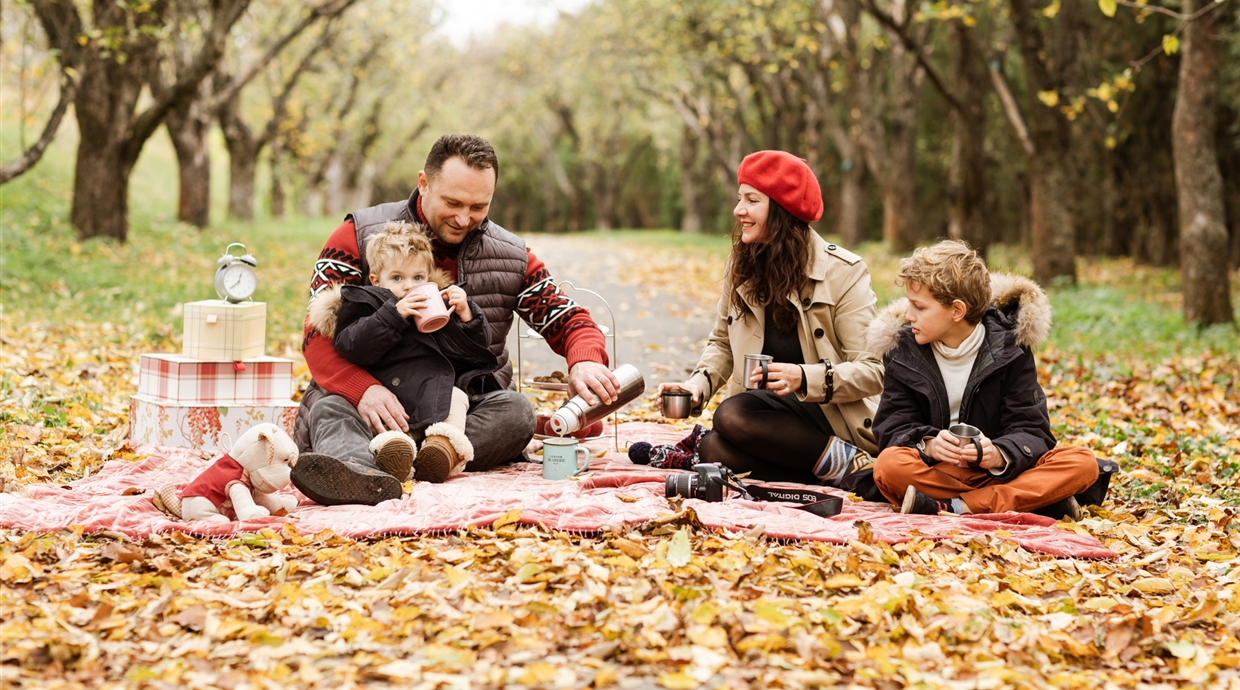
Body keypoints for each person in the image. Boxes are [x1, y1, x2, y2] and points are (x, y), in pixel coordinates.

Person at [292, 134, 620, 506]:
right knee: (329, 408)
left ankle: (425, 456)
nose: (464, 218)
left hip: (457, 411)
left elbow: (567, 318)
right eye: (452, 202)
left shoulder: (512, 255)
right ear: (424, 183)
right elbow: (314, 334)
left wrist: (586, 361)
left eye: (478, 206)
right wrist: (362, 389)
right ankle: (357, 469)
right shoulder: (358, 234)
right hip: (369, 401)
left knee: (516, 414)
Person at [654, 150, 885, 485]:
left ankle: (851, 463)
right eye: (739, 198)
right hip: (766, 416)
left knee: (730, 415)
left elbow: (873, 371)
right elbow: (722, 342)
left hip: (829, 418)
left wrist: (803, 377)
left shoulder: (844, 273)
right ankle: (846, 476)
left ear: (781, 208)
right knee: (713, 449)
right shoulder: (742, 263)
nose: (738, 211)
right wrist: (696, 386)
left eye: (751, 200)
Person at [867, 240, 1099, 519]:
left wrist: (998, 454)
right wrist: (929, 444)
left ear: (956, 310)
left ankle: (957, 507)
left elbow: (1033, 430)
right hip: (938, 472)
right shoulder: (903, 350)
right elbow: (891, 426)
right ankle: (1029, 500)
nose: (908, 315)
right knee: (889, 466)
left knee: (1082, 462)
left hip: (1000, 473)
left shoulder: (1011, 348)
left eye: (919, 307)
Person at [306, 220, 500, 488]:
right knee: (328, 409)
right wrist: (393, 315)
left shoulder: (436, 304)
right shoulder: (364, 303)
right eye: (397, 278)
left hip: (434, 407)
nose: (409, 287)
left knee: (510, 409)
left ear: (429, 278)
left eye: (418, 278)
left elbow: (473, 354)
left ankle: (440, 451)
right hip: (382, 414)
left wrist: (467, 316)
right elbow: (352, 346)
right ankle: (362, 469)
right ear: (376, 280)